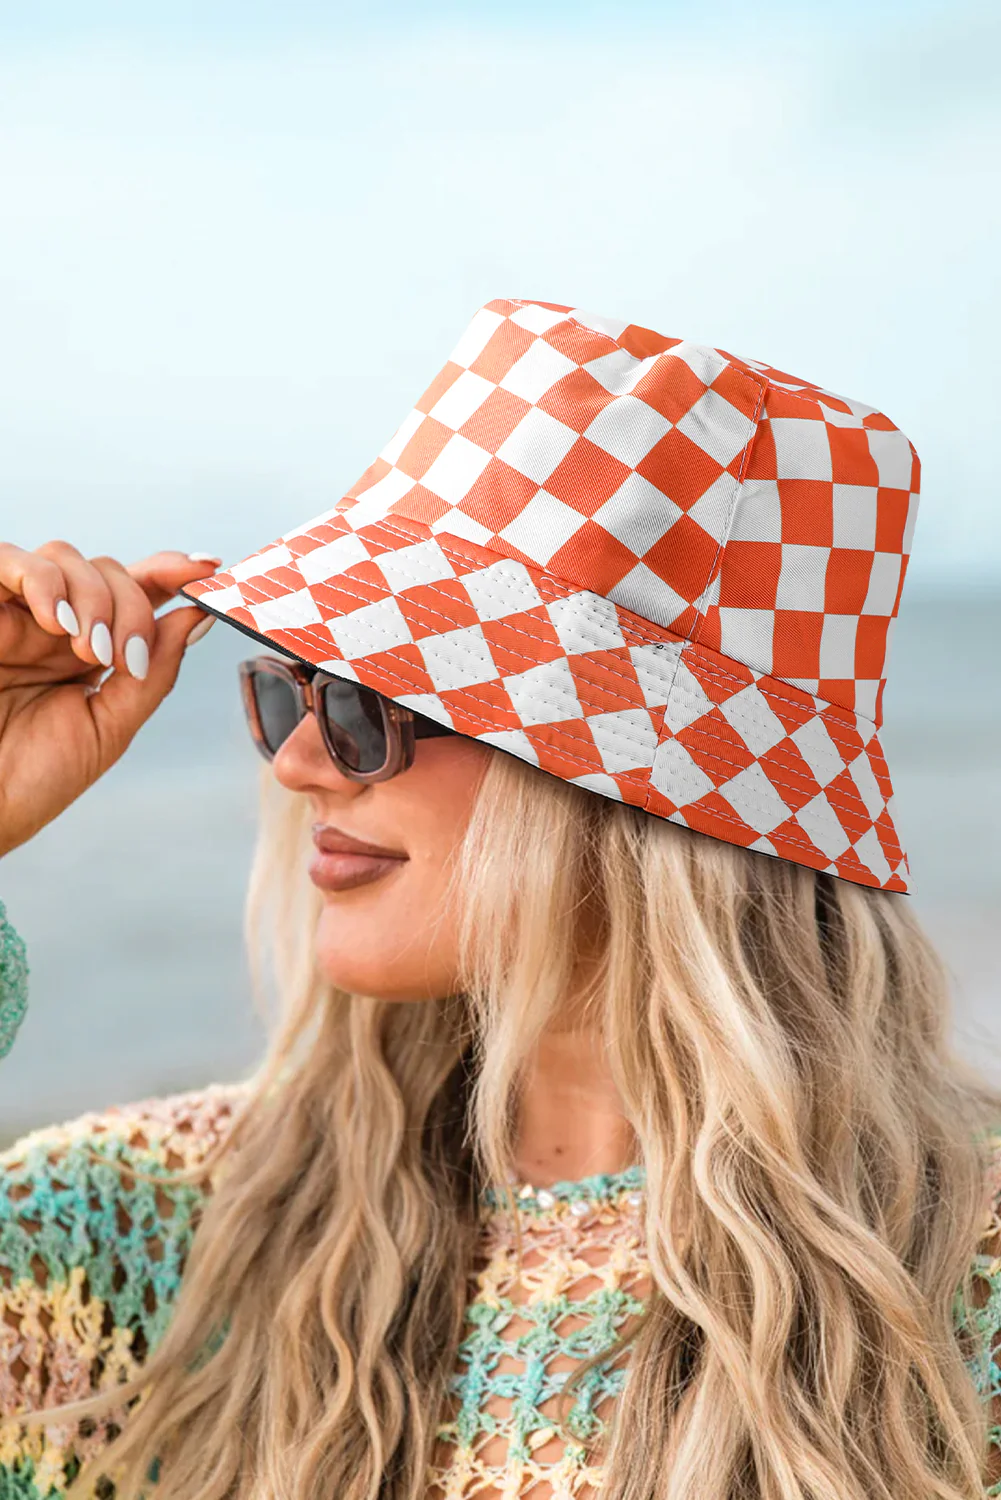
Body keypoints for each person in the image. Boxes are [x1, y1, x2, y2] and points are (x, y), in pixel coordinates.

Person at [1, 298, 1000, 1500]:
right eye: (290, 689)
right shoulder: (136, 1231)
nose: (298, 762)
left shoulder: (965, 1278)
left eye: (380, 703)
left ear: (643, 791)